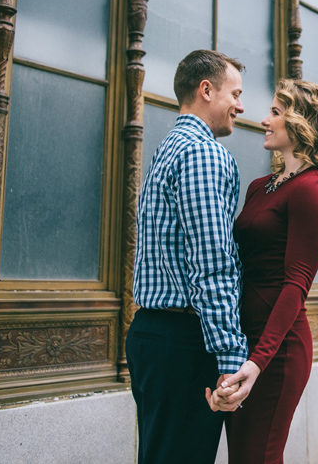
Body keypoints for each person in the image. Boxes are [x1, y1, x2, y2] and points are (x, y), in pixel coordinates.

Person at [208, 79, 318, 464]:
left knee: (258, 457)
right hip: (242, 342)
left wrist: (257, 362)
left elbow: (295, 286)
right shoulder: (261, 187)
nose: (264, 120)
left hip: (278, 350)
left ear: (301, 121)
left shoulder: (315, 190)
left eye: (275, 112)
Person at [127, 49, 248, 464]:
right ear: (206, 90)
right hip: (184, 344)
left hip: (153, 335)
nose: (240, 106)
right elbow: (211, 262)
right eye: (235, 94)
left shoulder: (168, 149)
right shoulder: (202, 154)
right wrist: (230, 355)